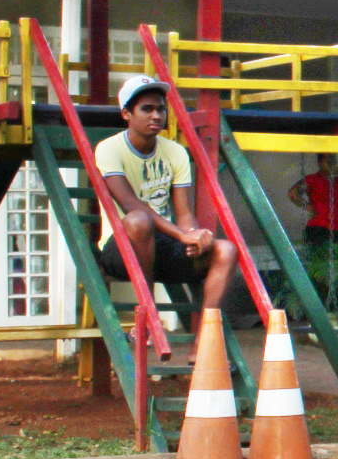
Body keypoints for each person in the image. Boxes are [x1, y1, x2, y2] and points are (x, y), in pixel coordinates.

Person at [94, 76, 239, 309]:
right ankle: (148, 311)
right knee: (139, 220)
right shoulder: (108, 149)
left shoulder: (176, 152)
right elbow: (129, 203)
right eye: (147, 109)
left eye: (161, 109)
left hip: (163, 246)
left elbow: (184, 212)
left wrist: (191, 234)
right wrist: (181, 235)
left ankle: (206, 337)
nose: (156, 115)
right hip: (122, 248)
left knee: (226, 250)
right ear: (126, 114)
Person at [288, 152, 338, 257]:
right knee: (319, 263)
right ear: (320, 162)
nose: (331, 162)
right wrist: (306, 206)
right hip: (318, 229)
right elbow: (293, 193)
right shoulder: (312, 179)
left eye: (333, 160)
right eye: (328, 160)